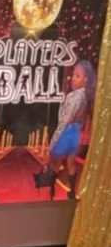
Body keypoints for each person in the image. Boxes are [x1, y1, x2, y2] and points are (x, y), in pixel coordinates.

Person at [47, 59, 95, 200]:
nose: (72, 79)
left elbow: (63, 121)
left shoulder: (74, 97)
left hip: (66, 132)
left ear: (85, 79)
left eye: (77, 76)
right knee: (71, 163)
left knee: (55, 163)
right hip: (75, 133)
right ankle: (72, 193)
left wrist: (53, 142)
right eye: (73, 75)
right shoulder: (86, 96)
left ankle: (51, 192)